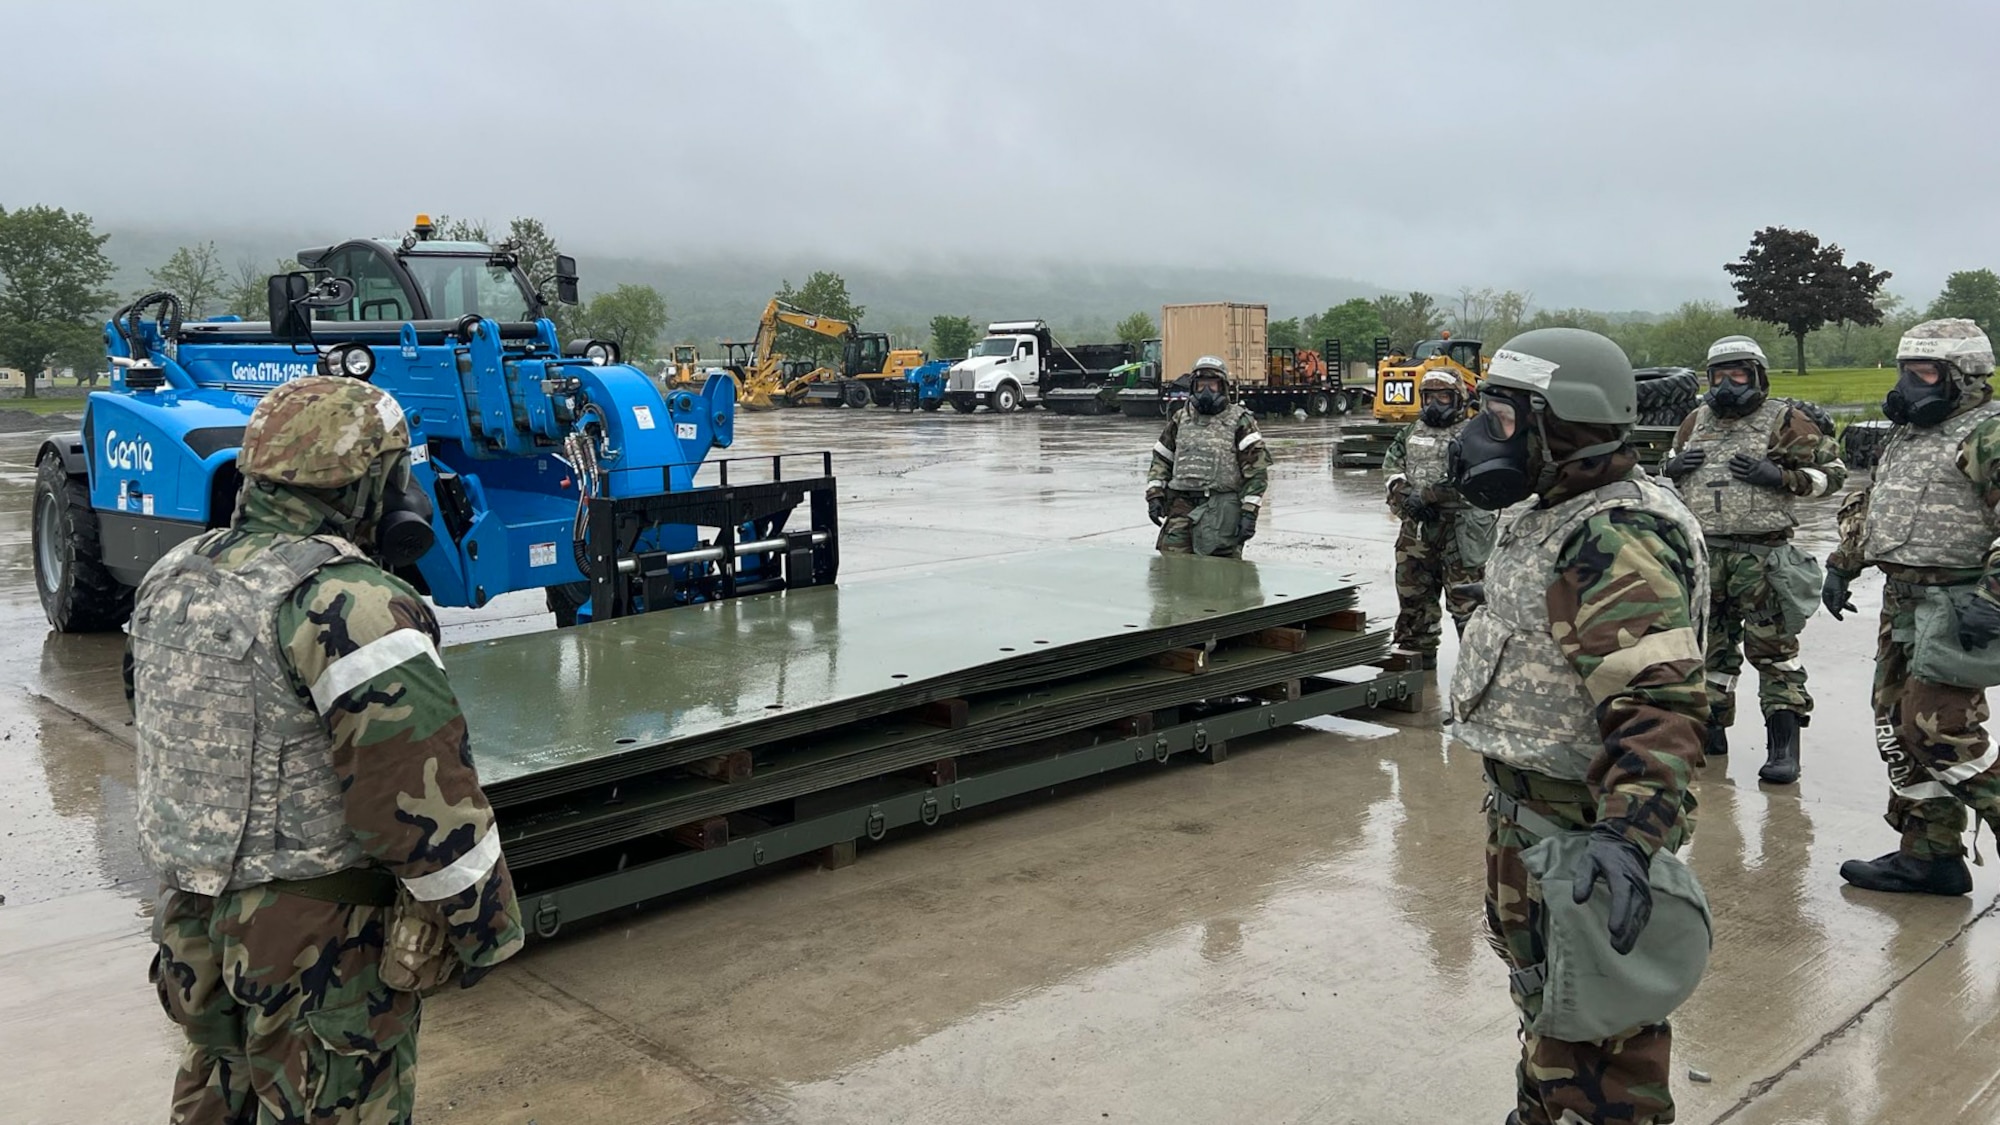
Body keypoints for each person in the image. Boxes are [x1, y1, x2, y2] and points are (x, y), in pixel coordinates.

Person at [129, 376, 524, 1123]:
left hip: (194, 926)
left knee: (217, 1101)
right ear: (372, 481)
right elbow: (417, 799)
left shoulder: (173, 579)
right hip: (316, 950)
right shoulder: (350, 604)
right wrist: (486, 927)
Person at [1446, 329, 1710, 1125]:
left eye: (1501, 414)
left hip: (1581, 829)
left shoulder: (1610, 536)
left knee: (1600, 1042)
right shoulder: (1555, 507)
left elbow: (1660, 702)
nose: (1481, 433)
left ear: (1561, 423)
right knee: (1553, 1006)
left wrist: (1627, 837)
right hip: (1537, 817)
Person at [1824, 318, 2000, 895]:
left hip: (1957, 605)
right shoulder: (1911, 435)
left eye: (1926, 373)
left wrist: (1993, 595)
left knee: (1940, 731)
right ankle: (1929, 854)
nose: (1910, 387)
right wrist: (1843, 563)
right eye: (1906, 373)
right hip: (1902, 602)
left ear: (1964, 377)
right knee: (1897, 730)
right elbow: (1878, 507)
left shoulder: (1986, 434)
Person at [1660, 335, 1846, 783]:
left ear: (1757, 376)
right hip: (1708, 555)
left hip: (1763, 557)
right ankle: (1712, 732)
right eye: (1719, 375)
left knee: (1775, 653)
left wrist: (1782, 476)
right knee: (1710, 652)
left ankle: (1783, 747)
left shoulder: (1785, 420)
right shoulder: (1694, 420)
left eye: (1738, 374)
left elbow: (1834, 475)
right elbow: (1666, 466)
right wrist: (1674, 469)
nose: (1727, 384)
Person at [1381, 368, 1498, 668]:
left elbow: (1474, 480)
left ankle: (1477, 680)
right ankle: (1415, 674)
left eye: (1443, 397)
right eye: (1429, 397)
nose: (1435, 404)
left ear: (1458, 399)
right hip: (1417, 531)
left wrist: (1430, 496)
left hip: (1460, 533)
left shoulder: (1475, 433)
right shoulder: (1410, 431)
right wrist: (1404, 497)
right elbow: (1392, 464)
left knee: (1468, 609)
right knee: (1413, 605)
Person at [1145, 356, 1271, 558]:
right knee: (1170, 568)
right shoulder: (1180, 419)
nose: (1205, 390)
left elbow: (1257, 472)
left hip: (1220, 509)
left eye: (1211, 385)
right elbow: (1161, 458)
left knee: (1219, 575)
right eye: (1201, 385)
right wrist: (1155, 494)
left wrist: (1249, 512)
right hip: (1181, 506)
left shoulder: (1240, 420)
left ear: (1223, 387)